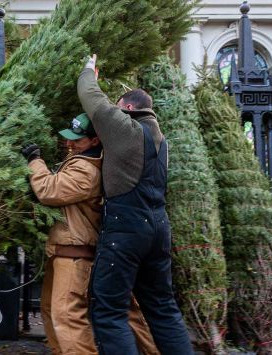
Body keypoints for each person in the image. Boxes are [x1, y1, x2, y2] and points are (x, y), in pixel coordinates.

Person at [77, 55, 194, 355]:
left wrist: (89, 69)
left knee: (108, 311)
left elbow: (90, 95)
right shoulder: (162, 141)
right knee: (162, 309)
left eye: (118, 107)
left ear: (128, 108)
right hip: (158, 230)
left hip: (126, 230)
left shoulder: (126, 129)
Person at [21, 114, 159, 355]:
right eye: (69, 139)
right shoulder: (80, 159)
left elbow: (50, 190)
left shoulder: (87, 170)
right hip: (64, 251)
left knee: (67, 316)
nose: (70, 144)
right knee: (50, 310)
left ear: (96, 141)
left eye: (78, 140)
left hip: (75, 255)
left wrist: (35, 161)